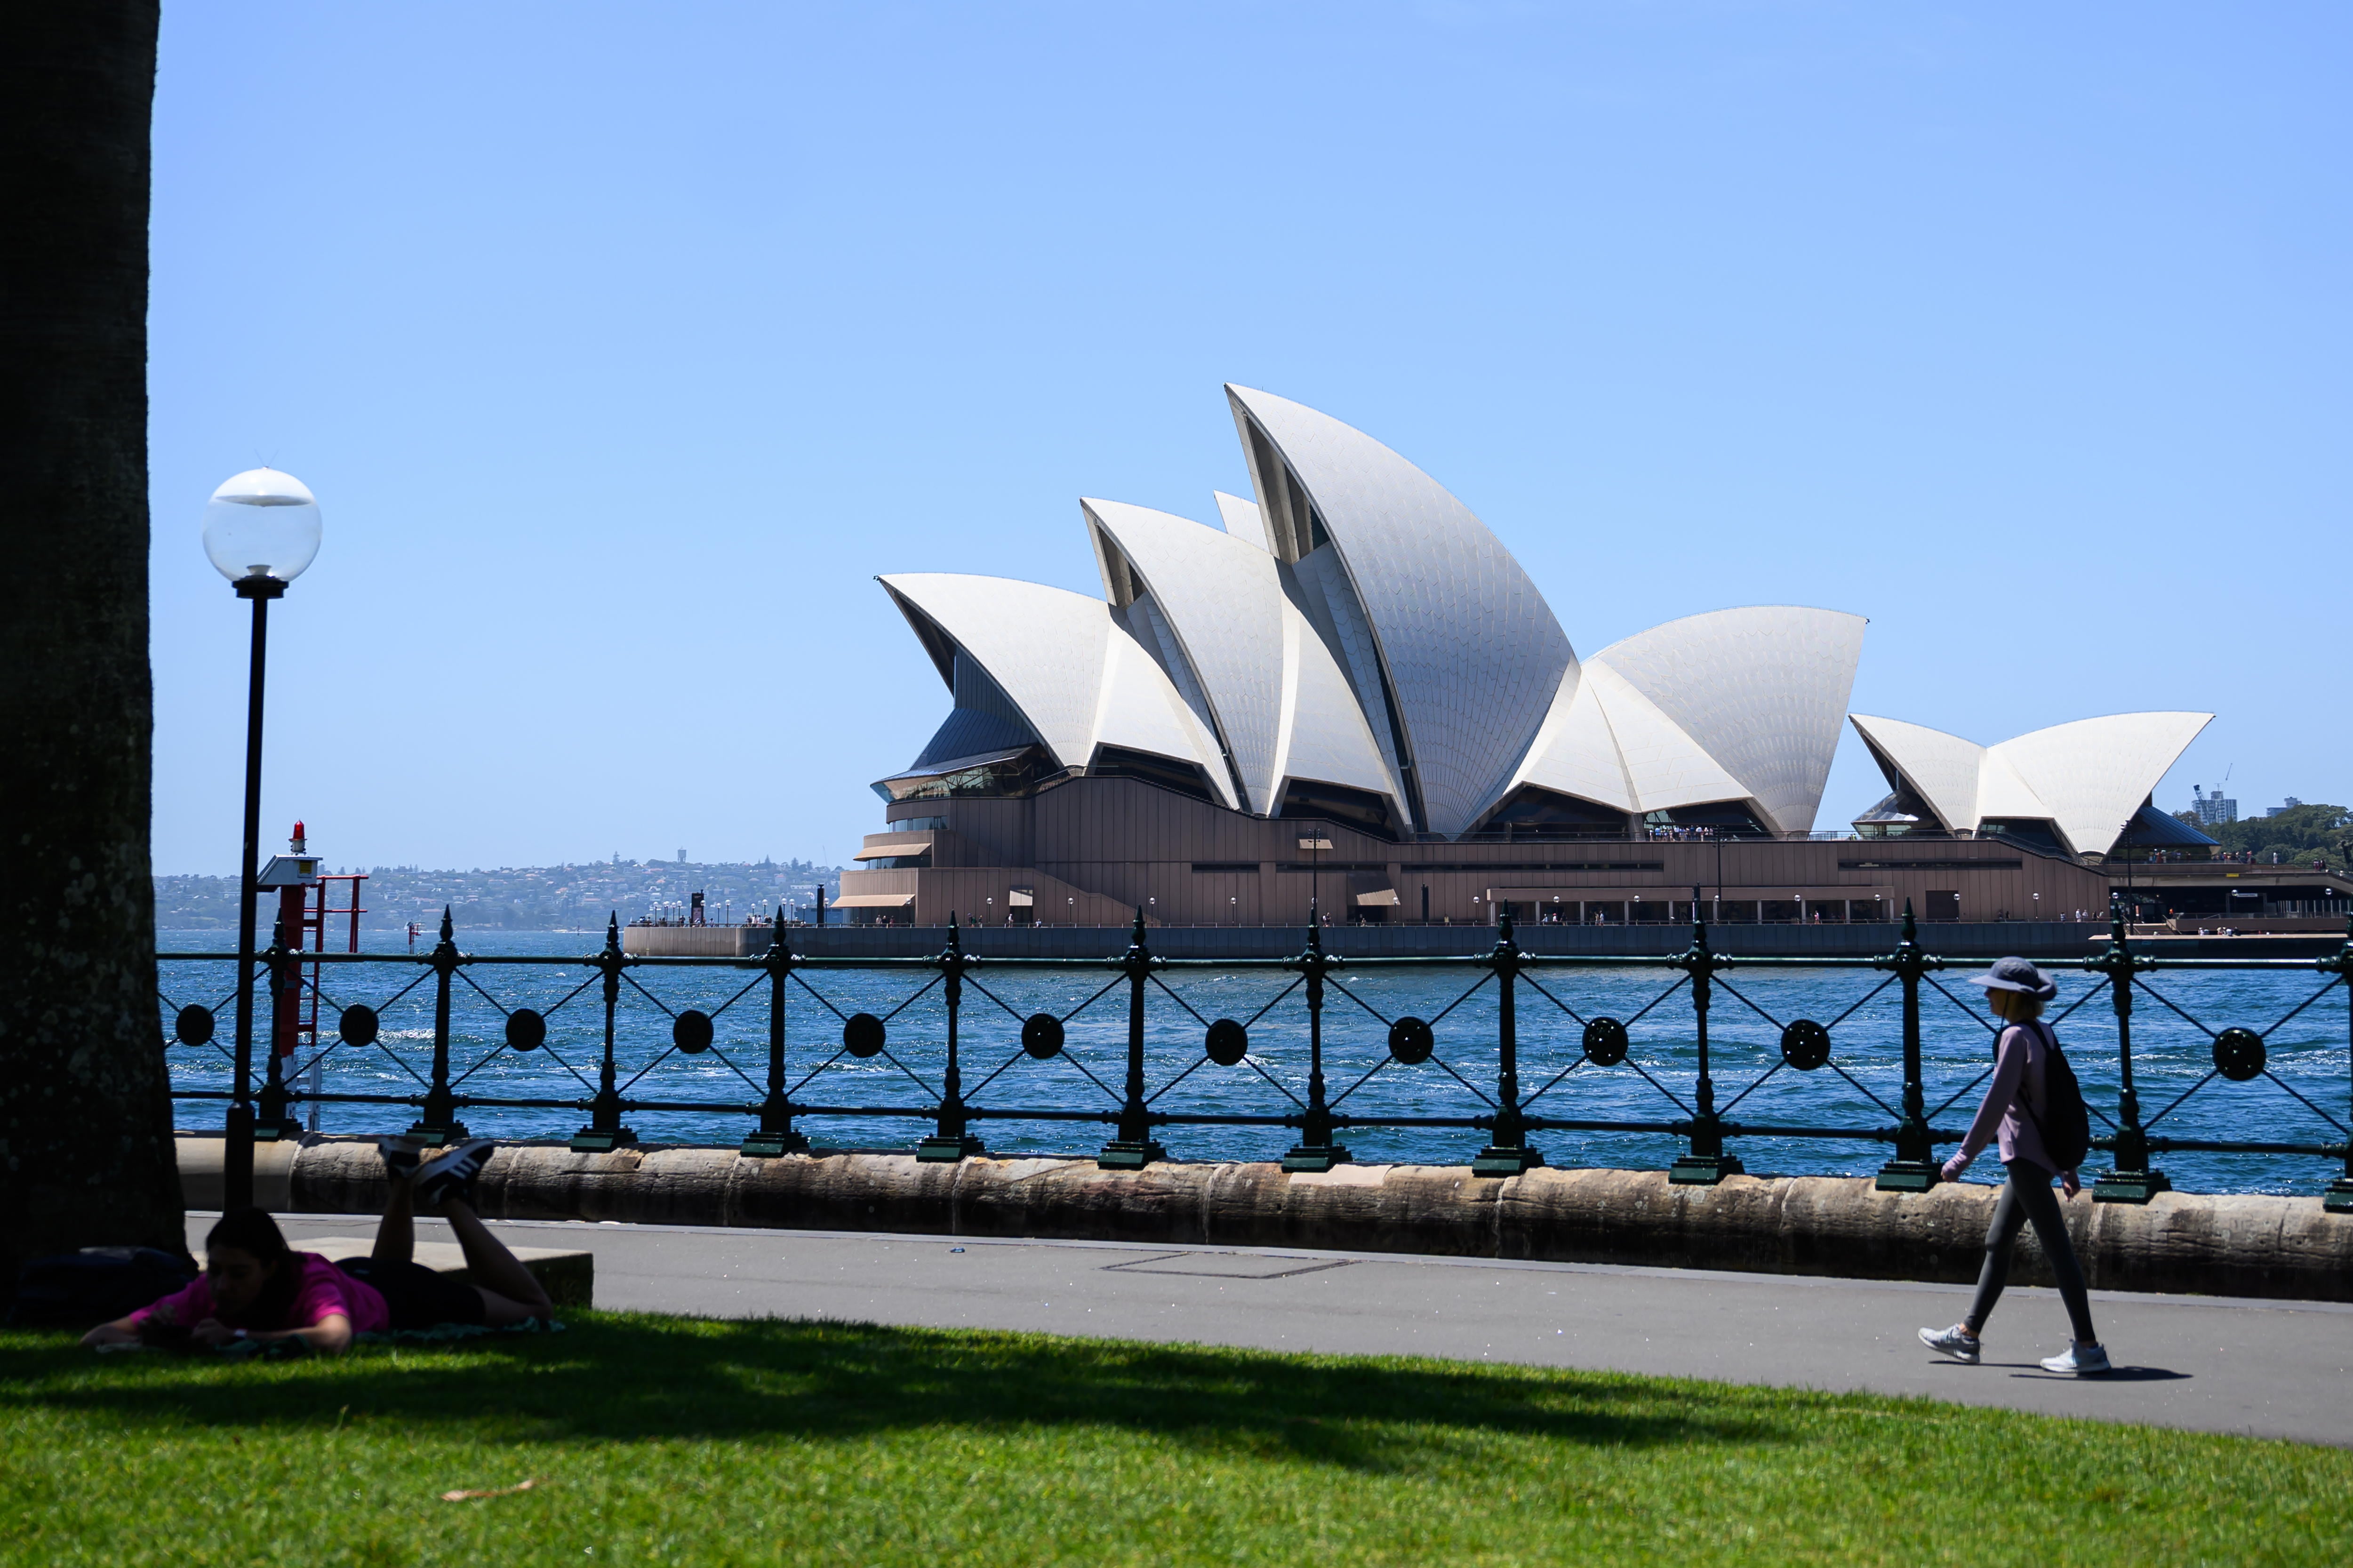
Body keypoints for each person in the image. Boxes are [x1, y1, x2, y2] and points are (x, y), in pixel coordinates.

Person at [81, 1137, 551, 1355]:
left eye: (238, 1273)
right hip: (361, 1281)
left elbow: (335, 1337)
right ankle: (403, 1177)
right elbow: (99, 1335)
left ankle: (448, 1195)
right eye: (218, 1270)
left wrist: (239, 1339)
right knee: (385, 1268)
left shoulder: (308, 1281)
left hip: (406, 1299)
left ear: (270, 1266)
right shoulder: (207, 1290)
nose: (222, 1285)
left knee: (535, 1307)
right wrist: (158, 1337)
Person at [1918, 957, 2110, 1376]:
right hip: (2038, 1158)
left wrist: (1962, 1158)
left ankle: (2089, 1348)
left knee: (2059, 1251)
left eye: (1992, 988)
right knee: (1997, 1241)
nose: (1986, 993)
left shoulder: (2014, 1038)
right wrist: (2064, 1165)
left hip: (2025, 1158)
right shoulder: (2044, 1033)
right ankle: (1968, 1336)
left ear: (2013, 996)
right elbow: (2054, 1103)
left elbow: (1996, 1103)